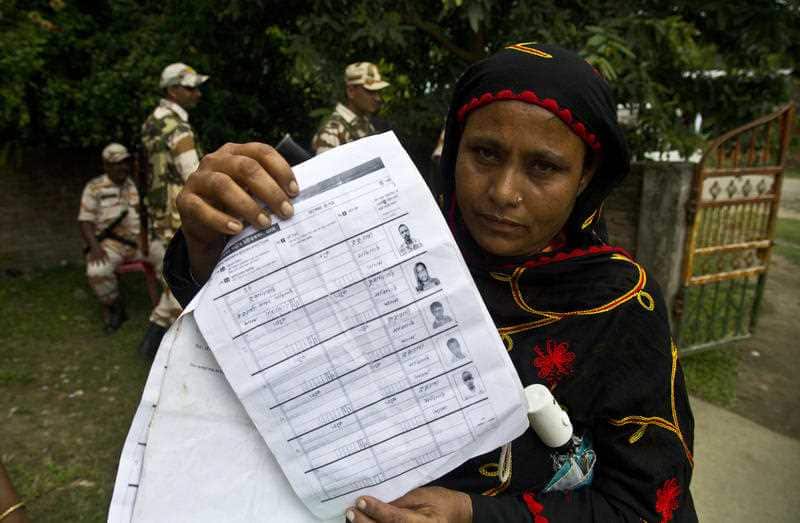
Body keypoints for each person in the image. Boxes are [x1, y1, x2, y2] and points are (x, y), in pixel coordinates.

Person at [163, 42, 696, 521]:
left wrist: (474, 515)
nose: (504, 192)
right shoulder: (390, 244)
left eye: (544, 168)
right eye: (485, 154)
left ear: (585, 177)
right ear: (455, 148)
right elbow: (270, 332)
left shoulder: (620, 306)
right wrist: (207, 243)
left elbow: (644, 505)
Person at [138, 62, 208, 358]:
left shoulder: (151, 122)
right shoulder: (177, 127)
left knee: (174, 278)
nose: (197, 94)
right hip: (178, 213)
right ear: (172, 90)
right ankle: (154, 345)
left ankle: (154, 346)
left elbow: (145, 172)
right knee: (181, 279)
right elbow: (193, 174)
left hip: (158, 210)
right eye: (190, 88)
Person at [78, 143, 140, 333]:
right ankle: (114, 307)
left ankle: (176, 307)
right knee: (97, 271)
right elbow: (85, 222)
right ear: (106, 166)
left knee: (170, 260)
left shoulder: (134, 184)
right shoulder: (95, 187)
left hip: (139, 243)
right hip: (111, 245)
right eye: (117, 163)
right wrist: (95, 247)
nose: (123, 167)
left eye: (125, 162)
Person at [310, 62, 390, 154]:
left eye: (377, 92)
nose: (377, 98)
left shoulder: (367, 125)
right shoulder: (332, 132)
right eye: (370, 91)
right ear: (351, 91)